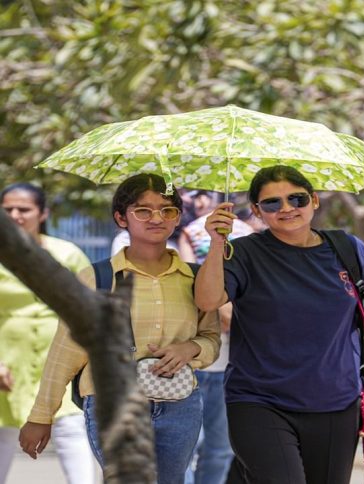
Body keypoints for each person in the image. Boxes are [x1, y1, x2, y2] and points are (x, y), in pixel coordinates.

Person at [194, 165, 364, 484]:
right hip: (259, 401)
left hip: (337, 402)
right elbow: (208, 301)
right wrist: (216, 243)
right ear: (256, 211)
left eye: (296, 199)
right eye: (271, 203)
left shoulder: (348, 249)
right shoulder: (243, 253)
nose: (286, 209)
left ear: (314, 201)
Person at [19, 174, 220, 484]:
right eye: (143, 210)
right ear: (120, 217)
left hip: (180, 406)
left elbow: (210, 340)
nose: (157, 218)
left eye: (168, 210)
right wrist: (41, 417)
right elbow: (65, 353)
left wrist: (190, 348)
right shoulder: (98, 278)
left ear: (178, 217)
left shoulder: (195, 278)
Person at [0, 183, 96, 484]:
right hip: (7, 365)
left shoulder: (67, 254)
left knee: (71, 431)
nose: (15, 215)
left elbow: (88, 309)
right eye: (8, 210)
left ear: (43, 213)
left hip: (59, 363)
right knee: (4, 436)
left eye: (24, 209)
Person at [178, 190, 254, 484]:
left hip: (232, 367)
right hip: (192, 363)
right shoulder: (190, 233)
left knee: (220, 450)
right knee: (184, 449)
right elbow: (191, 285)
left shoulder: (249, 237)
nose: (199, 201)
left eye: (205, 195)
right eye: (194, 195)